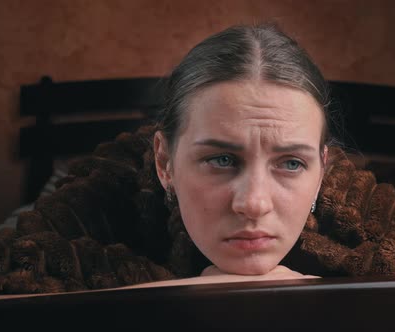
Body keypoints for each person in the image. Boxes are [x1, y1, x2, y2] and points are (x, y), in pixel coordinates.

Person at [138, 23, 334, 287]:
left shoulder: (392, 267)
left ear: (321, 172)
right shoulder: (80, 241)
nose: (254, 204)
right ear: (164, 163)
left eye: (291, 163)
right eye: (222, 160)